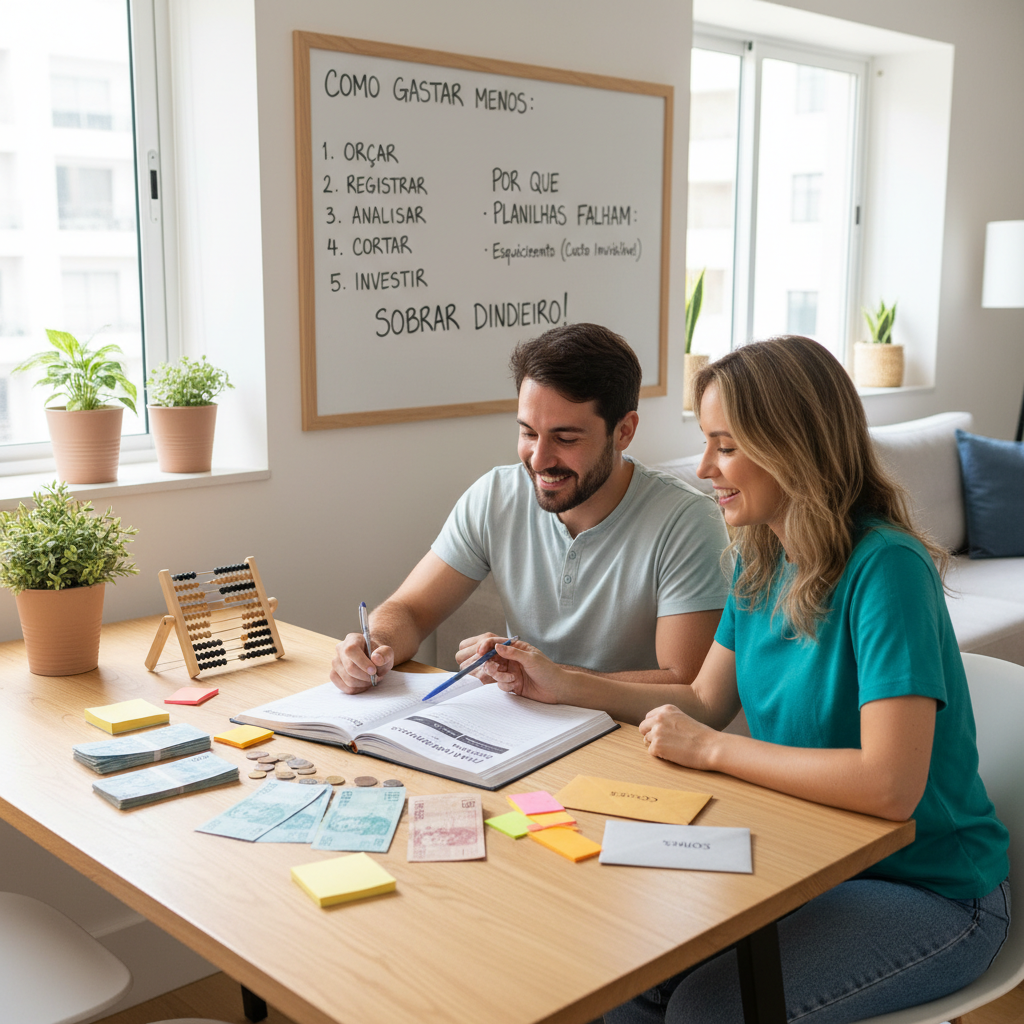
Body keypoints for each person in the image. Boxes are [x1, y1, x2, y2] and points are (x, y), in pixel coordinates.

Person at [487, 336, 1011, 1024]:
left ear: (794, 444)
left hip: (930, 890)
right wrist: (565, 683)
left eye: (725, 446)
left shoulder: (887, 569)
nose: (704, 467)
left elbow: (890, 786)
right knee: (619, 974)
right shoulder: (760, 557)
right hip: (807, 860)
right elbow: (704, 701)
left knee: (704, 1012)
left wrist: (711, 751)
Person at [330, 322, 731, 694]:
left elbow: (686, 683)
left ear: (623, 431)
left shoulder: (688, 521)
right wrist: (375, 646)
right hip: (521, 732)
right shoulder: (495, 495)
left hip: (631, 743)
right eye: (527, 432)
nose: (538, 459)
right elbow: (412, 610)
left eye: (565, 438)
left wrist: (545, 674)